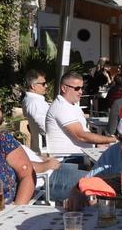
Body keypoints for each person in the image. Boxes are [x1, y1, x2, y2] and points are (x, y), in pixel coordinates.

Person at [45, 70, 116, 198]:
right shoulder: (61, 107)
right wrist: (111, 140)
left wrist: (97, 145)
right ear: (64, 88)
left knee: (113, 172)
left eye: (82, 88)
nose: (81, 91)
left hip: (81, 158)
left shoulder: (72, 105)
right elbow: (80, 135)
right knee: (106, 182)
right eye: (77, 88)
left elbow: (84, 133)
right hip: (66, 161)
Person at [21, 70, 50, 149]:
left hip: (41, 146)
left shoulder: (29, 100)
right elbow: (44, 126)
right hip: (47, 149)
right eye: (43, 84)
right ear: (33, 86)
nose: (46, 86)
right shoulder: (35, 103)